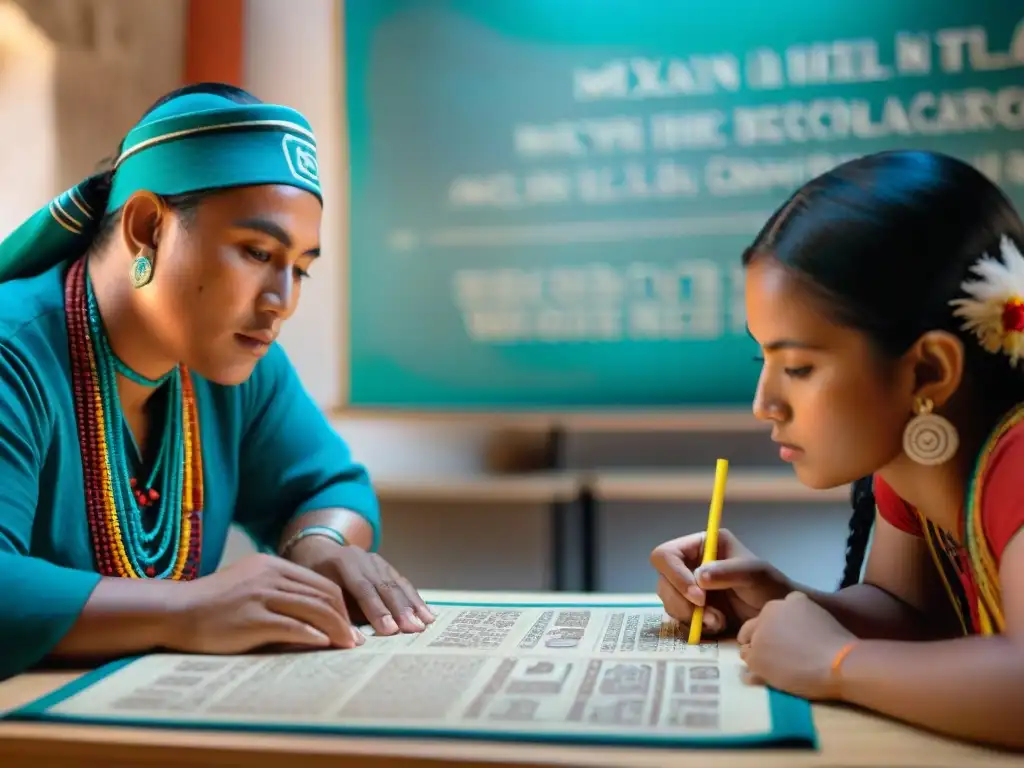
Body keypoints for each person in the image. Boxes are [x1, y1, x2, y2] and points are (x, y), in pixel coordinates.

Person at [0, 82, 434, 683]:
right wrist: (188, 607)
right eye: (257, 253)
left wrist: (319, 543)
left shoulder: (234, 366)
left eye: (300, 269)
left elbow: (332, 485)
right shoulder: (13, 351)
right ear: (147, 227)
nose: (281, 301)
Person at [650, 149, 1024, 749]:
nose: (764, 403)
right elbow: (912, 615)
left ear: (928, 370)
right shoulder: (911, 460)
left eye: (797, 366)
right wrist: (778, 600)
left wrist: (836, 663)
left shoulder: (1018, 461)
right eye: (762, 357)